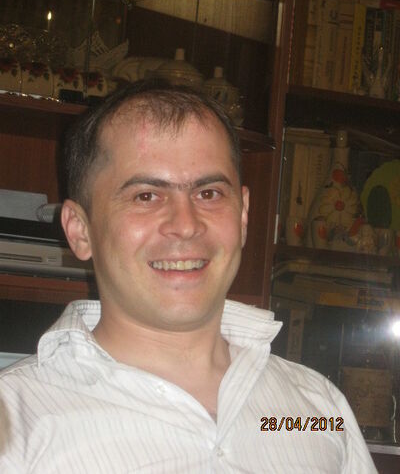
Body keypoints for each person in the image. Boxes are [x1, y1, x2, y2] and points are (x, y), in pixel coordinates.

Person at [0, 80, 376, 473]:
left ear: (243, 215)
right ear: (80, 230)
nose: (186, 225)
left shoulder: (317, 412)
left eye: (208, 193)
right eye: (146, 196)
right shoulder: (17, 426)